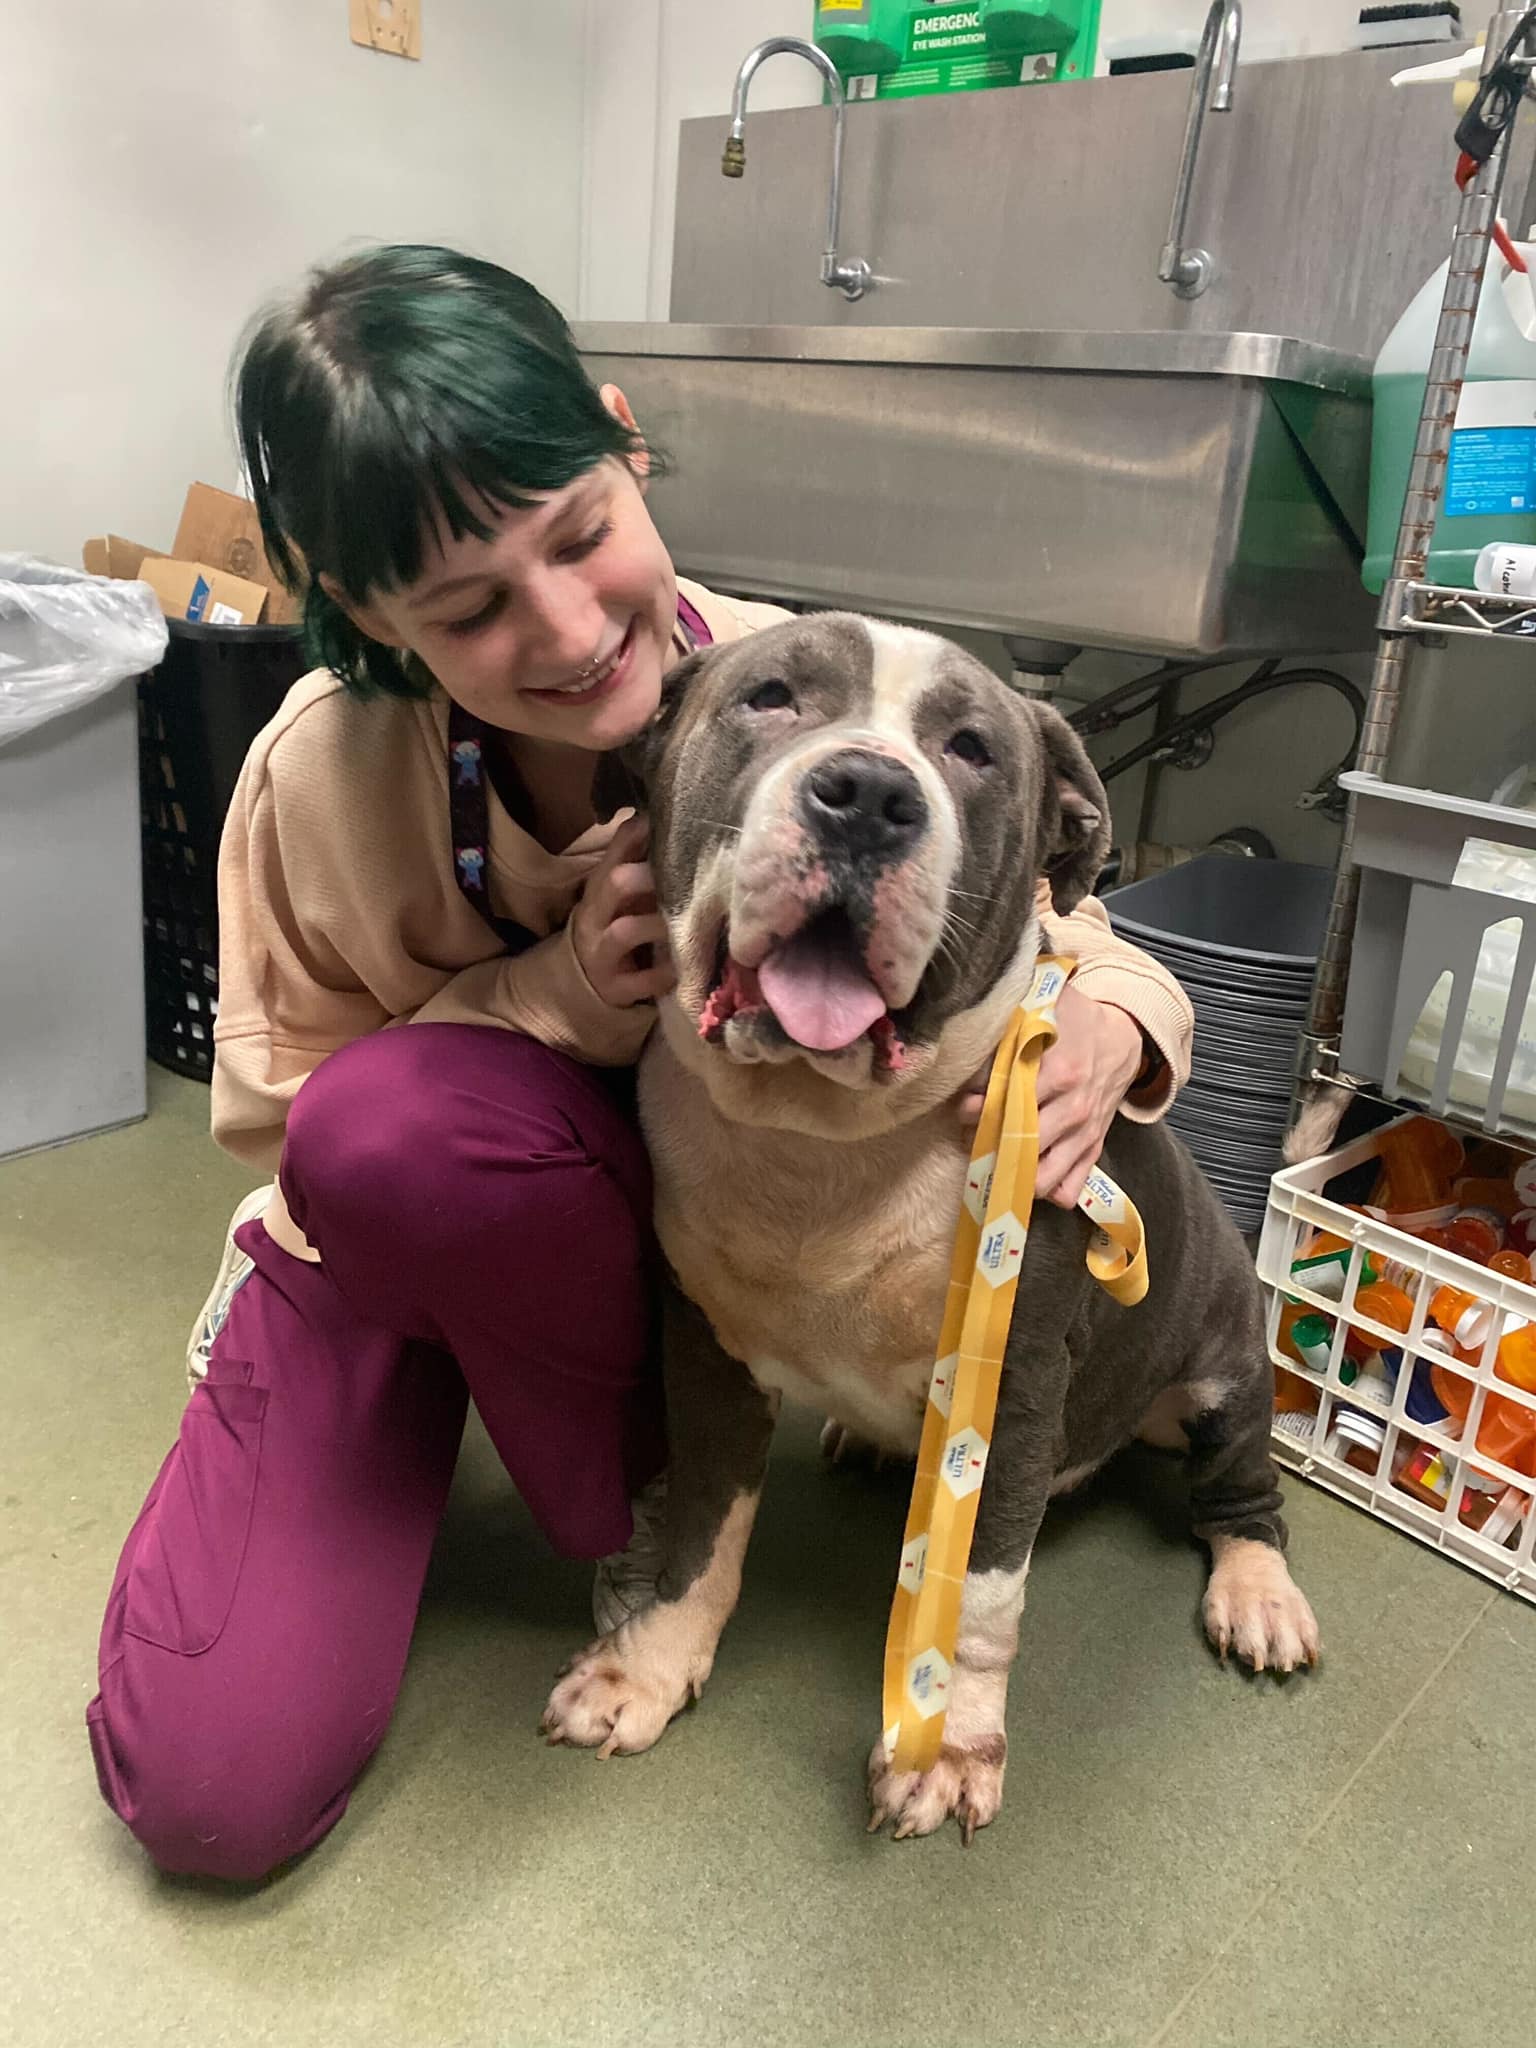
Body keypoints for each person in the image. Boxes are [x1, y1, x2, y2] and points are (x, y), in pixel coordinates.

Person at [87, 245, 1194, 1881]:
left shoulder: (779, 679)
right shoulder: (316, 771)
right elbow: (290, 1124)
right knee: (207, 1787)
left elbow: (1050, 914)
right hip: (396, 1254)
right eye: (464, 609)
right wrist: (544, 1001)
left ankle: (652, 1531)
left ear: (624, 440)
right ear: (359, 605)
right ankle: (584, 1487)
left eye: (582, 534)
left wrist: (1119, 1021)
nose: (563, 625)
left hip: (668, 1259)